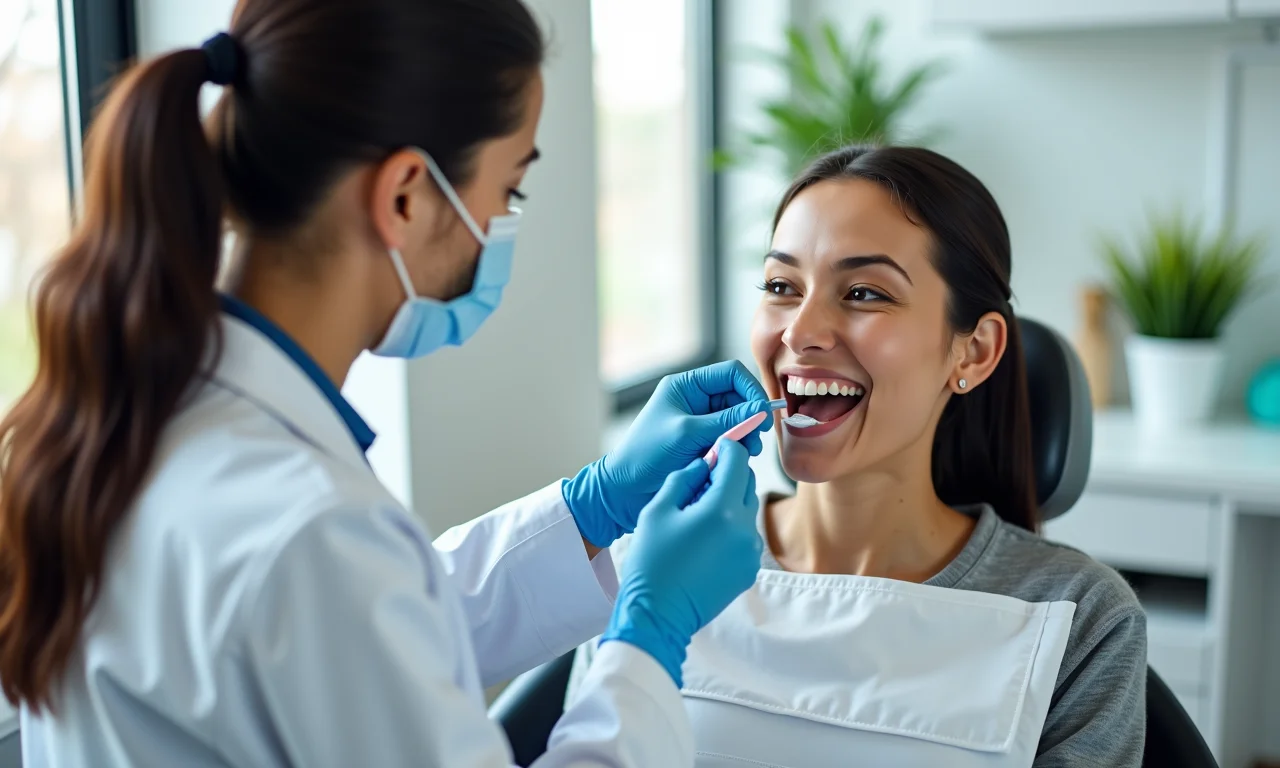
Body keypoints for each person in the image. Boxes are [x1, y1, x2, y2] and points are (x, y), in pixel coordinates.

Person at [0, 1, 776, 765]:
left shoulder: (143, 412)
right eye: (510, 190)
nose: (504, 221)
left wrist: (592, 506)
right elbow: (346, 611)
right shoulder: (310, 529)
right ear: (405, 194)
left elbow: (361, 640)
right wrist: (650, 636)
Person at [570, 145, 1148, 767]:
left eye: (865, 293)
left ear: (973, 352)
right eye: (780, 286)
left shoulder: (1081, 618)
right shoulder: (643, 565)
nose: (799, 332)